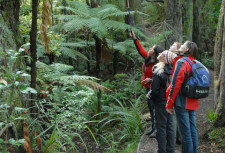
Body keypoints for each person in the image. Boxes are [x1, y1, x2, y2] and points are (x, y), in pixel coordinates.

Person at [166, 41, 199, 153]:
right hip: (192, 101)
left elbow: (175, 84)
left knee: (186, 134)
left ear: (187, 50)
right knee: (192, 131)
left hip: (182, 102)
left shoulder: (182, 62)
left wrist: (169, 103)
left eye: (184, 45)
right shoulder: (193, 61)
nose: (182, 46)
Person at [131, 31, 163, 137]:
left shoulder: (158, 63)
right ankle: (153, 126)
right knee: (150, 108)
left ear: (155, 52)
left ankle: (157, 129)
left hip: (153, 89)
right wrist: (135, 38)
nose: (149, 49)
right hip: (146, 88)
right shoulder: (148, 58)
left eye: (151, 48)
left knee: (154, 108)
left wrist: (150, 79)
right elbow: (140, 49)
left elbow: (160, 76)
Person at [147, 50, 177, 153]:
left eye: (161, 54)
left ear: (164, 59)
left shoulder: (158, 71)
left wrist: (150, 95)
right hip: (170, 102)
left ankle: (162, 150)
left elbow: (154, 90)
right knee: (170, 126)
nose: (159, 55)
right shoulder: (173, 70)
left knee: (161, 128)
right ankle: (170, 150)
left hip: (160, 103)